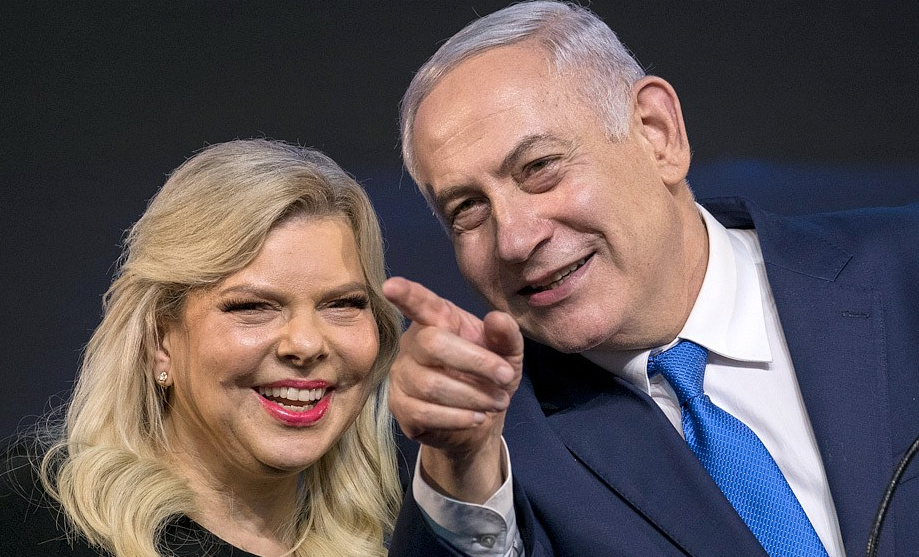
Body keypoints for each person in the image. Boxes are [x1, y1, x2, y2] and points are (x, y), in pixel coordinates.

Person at [383, 2, 919, 557]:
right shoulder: (491, 456)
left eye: (539, 167)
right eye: (468, 208)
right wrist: (460, 470)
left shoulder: (905, 270)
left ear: (657, 134)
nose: (514, 240)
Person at [0, 139, 403, 557]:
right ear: (159, 340)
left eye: (343, 304)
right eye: (252, 307)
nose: (305, 344)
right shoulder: (38, 515)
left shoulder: (393, 541)